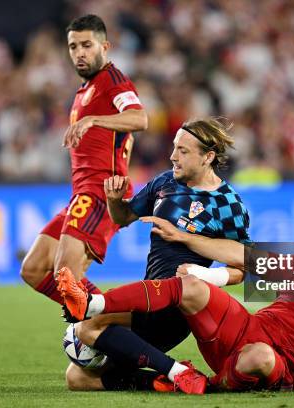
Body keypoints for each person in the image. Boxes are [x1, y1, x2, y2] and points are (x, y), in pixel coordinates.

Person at [59, 218, 294, 393]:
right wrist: (185, 238)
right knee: (192, 286)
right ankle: (93, 302)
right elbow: (244, 258)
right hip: (243, 329)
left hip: (280, 365)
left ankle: (207, 385)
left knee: (260, 356)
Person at [59, 117, 251, 394]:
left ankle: (175, 370)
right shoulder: (165, 182)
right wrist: (114, 201)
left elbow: (243, 266)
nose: (173, 156)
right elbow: (124, 217)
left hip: (176, 307)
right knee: (77, 378)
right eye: (174, 147)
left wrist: (205, 274)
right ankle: (170, 379)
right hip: (146, 300)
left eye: (183, 151)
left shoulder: (228, 204)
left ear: (208, 157)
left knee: (85, 327)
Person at [20, 14, 148, 304]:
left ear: (105, 46)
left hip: (101, 193)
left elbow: (140, 118)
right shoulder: (85, 89)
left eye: (87, 45)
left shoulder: (114, 82)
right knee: (34, 269)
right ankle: (105, 322)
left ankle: (115, 334)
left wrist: (93, 120)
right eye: (73, 46)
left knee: (65, 275)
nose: (79, 52)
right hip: (81, 194)